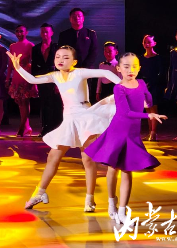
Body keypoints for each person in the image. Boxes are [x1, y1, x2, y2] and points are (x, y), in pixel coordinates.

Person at [8, 46, 121, 212]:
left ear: (74, 61)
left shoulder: (80, 73)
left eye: (66, 57)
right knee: (53, 157)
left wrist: (123, 85)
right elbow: (32, 80)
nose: (61, 60)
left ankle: (89, 199)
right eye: (58, 57)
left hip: (85, 118)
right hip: (69, 121)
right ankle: (40, 193)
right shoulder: (54, 76)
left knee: (88, 160)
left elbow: (105, 73)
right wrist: (18, 68)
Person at [84, 53, 167, 228]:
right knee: (113, 168)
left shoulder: (141, 83)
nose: (131, 70)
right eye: (126, 66)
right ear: (119, 69)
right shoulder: (119, 88)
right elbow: (126, 112)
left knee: (127, 170)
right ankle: (111, 203)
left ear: (139, 68)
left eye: (134, 66)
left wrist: (147, 96)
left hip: (133, 133)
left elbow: (148, 100)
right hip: (118, 131)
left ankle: (122, 211)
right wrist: (149, 115)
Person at [31, 23, 62, 136]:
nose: (44, 34)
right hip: (41, 79)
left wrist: (59, 83)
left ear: (51, 33)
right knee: (44, 104)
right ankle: (45, 128)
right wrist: (34, 83)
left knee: (56, 104)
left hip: (55, 79)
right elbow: (34, 67)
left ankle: (57, 130)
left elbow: (61, 65)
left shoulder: (57, 47)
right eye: (42, 32)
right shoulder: (35, 48)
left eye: (46, 32)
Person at [8, 25, 38, 136]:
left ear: (26, 32)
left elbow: (34, 62)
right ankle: (27, 127)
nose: (19, 34)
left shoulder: (30, 45)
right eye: (17, 31)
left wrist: (33, 77)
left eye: (21, 31)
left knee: (25, 101)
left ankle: (22, 127)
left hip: (25, 75)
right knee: (20, 102)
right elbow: (10, 64)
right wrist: (8, 78)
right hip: (16, 76)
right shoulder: (13, 46)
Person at [138, 35, 165, 141]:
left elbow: (161, 73)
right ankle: (150, 132)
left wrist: (153, 82)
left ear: (154, 43)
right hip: (144, 85)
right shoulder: (141, 58)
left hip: (154, 85)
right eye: (145, 42)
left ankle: (154, 132)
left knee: (153, 108)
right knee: (147, 109)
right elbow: (139, 72)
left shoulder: (158, 58)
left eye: (149, 42)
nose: (147, 44)